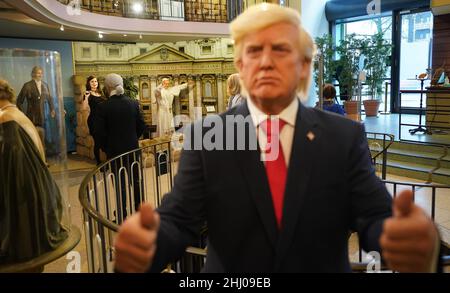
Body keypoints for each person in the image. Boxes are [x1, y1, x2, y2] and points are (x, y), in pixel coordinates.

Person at [114, 4, 440, 273]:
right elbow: (179, 220)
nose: (266, 61)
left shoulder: (344, 136)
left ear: (303, 67)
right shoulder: (206, 137)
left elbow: (375, 219)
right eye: (254, 51)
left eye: (281, 50)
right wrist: (149, 244)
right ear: (241, 65)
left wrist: (404, 239)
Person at [0, 79, 68, 264]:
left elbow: (11, 168)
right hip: (42, 192)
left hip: (28, 201)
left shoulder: (6, 118)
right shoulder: (16, 113)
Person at [94, 73, 146, 222]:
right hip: (132, 149)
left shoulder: (102, 107)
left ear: (108, 87)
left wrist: (106, 147)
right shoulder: (133, 103)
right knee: (136, 181)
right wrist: (132, 138)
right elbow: (142, 125)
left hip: (115, 151)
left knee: (119, 184)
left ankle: (122, 215)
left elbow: (99, 133)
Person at [16, 66, 56, 149]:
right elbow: (19, 101)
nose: (40, 75)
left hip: (42, 117)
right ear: (33, 74)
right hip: (31, 116)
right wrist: (22, 115)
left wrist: (52, 109)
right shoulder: (27, 85)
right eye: (38, 73)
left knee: (42, 138)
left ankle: (42, 158)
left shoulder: (45, 85)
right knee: (32, 138)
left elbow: (49, 98)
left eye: (41, 73)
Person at [84, 75, 106, 165]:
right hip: (93, 120)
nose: (94, 83)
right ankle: (99, 163)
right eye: (92, 81)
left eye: (96, 81)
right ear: (89, 83)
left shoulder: (101, 93)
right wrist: (85, 97)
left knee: (104, 140)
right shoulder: (87, 93)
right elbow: (84, 107)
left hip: (103, 120)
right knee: (97, 142)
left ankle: (107, 160)